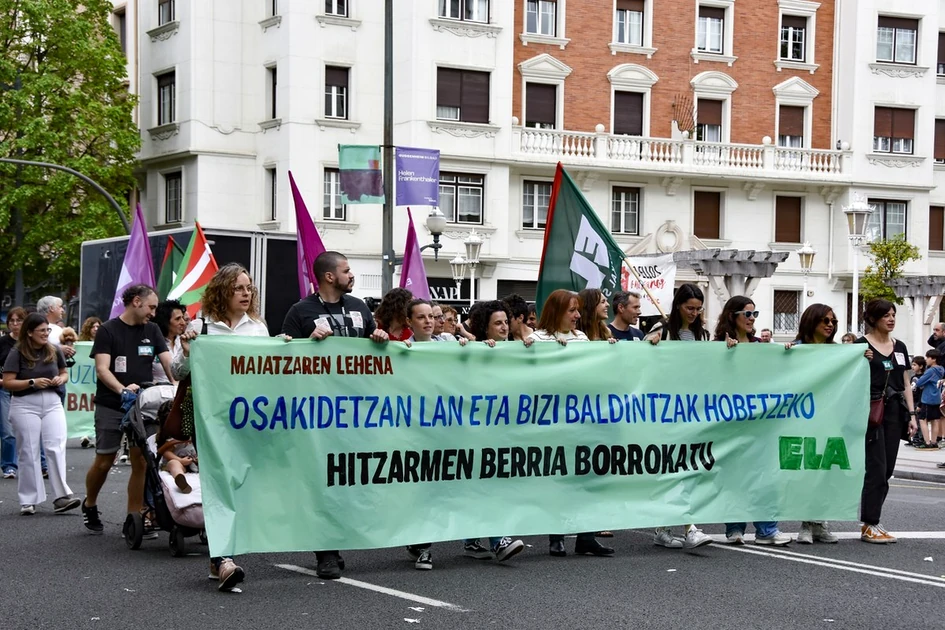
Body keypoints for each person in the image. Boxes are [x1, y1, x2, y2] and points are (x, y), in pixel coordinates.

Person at [281, 251, 390, 580]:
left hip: (359, 411)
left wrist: (380, 338)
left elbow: (374, 347)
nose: (351, 274)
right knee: (322, 480)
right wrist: (306, 342)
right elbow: (284, 356)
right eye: (346, 270)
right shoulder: (300, 311)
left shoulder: (359, 307)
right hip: (319, 413)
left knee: (349, 479)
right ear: (329, 276)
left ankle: (342, 536)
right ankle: (325, 551)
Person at [174, 263, 270, 591]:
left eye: (249, 288)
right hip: (210, 419)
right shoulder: (201, 327)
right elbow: (178, 370)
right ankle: (223, 559)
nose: (247, 293)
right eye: (239, 288)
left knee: (240, 483)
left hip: (248, 420)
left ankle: (220, 557)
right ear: (223, 291)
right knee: (218, 484)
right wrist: (187, 351)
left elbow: (269, 371)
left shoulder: (257, 328)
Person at [527, 289, 614, 558]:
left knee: (586, 476)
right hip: (553, 421)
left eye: (578, 310)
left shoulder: (582, 338)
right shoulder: (537, 339)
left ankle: (586, 536)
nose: (577, 315)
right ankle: (557, 535)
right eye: (572, 311)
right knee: (559, 477)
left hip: (583, 419)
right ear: (557, 312)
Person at [82, 285, 172, 537]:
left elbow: (167, 363)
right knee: (104, 460)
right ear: (136, 302)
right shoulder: (108, 330)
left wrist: (177, 386)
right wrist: (122, 390)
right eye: (151, 307)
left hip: (144, 405)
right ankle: (89, 503)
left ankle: (135, 518)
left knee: (141, 461)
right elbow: (102, 369)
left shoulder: (152, 330)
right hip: (112, 404)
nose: (153, 313)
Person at [711, 297, 791, 545]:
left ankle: (767, 528)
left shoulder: (761, 346)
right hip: (730, 421)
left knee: (764, 475)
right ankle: (734, 527)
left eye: (754, 313)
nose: (752, 318)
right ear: (732, 316)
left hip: (760, 423)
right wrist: (723, 353)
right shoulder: (717, 346)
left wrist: (787, 355)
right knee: (734, 474)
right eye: (747, 314)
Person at [647, 284, 713, 549]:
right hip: (665, 413)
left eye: (698, 309)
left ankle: (664, 528)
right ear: (677, 306)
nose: (694, 313)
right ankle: (689, 527)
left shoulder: (704, 336)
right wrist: (649, 346)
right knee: (674, 469)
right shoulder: (661, 332)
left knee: (685, 469)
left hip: (693, 411)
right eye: (689, 308)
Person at [2, 313, 81, 515]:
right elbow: (8, 381)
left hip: (53, 402)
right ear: (29, 333)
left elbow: (64, 372)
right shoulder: (17, 352)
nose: (46, 334)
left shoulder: (54, 349)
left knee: (55, 446)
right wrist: (32, 382)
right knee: (28, 450)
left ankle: (61, 496)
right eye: (41, 330)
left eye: (47, 330)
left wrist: (60, 380)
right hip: (24, 403)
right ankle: (28, 500)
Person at [856, 299, 917, 544]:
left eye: (893, 315)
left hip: (895, 412)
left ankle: (874, 521)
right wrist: (858, 358)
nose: (891, 319)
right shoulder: (861, 346)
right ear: (872, 318)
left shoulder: (899, 346)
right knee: (876, 469)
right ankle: (870, 522)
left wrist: (912, 416)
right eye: (885, 315)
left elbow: (905, 383)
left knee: (888, 469)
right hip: (870, 412)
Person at [1, 307, 26, 479]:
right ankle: (9, 465)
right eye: (12, 321)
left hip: (25, 388)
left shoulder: (29, 342)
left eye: (19, 321)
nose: (15, 324)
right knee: (8, 430)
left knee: (27, 430)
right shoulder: (2, 343)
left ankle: (37, 464)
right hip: (4, 388)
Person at [913, 350, 944, 450]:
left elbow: (919, 382)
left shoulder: (930, 371)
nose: (926, 360)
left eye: (928, 358)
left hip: (927, 398)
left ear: (934, 359)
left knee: (923, 419)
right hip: (937, 398)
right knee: (935, 420)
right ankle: (934, 442)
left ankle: (927, 442)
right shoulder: (941, 369)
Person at [154, 300, 187, 383]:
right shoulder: (151, 342)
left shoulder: (184, 342)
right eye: (178, 319)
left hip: (180, 392)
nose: (183, 323)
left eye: (183, 318)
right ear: (165, 321)